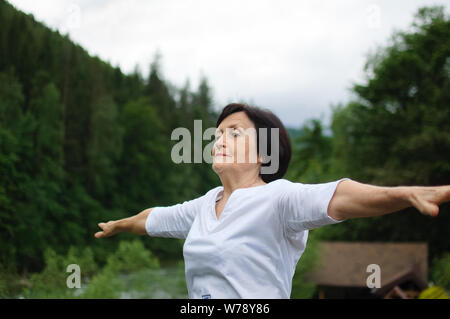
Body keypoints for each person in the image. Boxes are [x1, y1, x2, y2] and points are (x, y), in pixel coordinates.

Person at [94, 103, 450, 299]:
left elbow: (340, 196)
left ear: (264, 154)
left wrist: (404, 194)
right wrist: (120, 224)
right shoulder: (203, 205)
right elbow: (154, 218)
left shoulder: (278, 199)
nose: (219, 139)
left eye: (234, 133)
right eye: (218, 134)